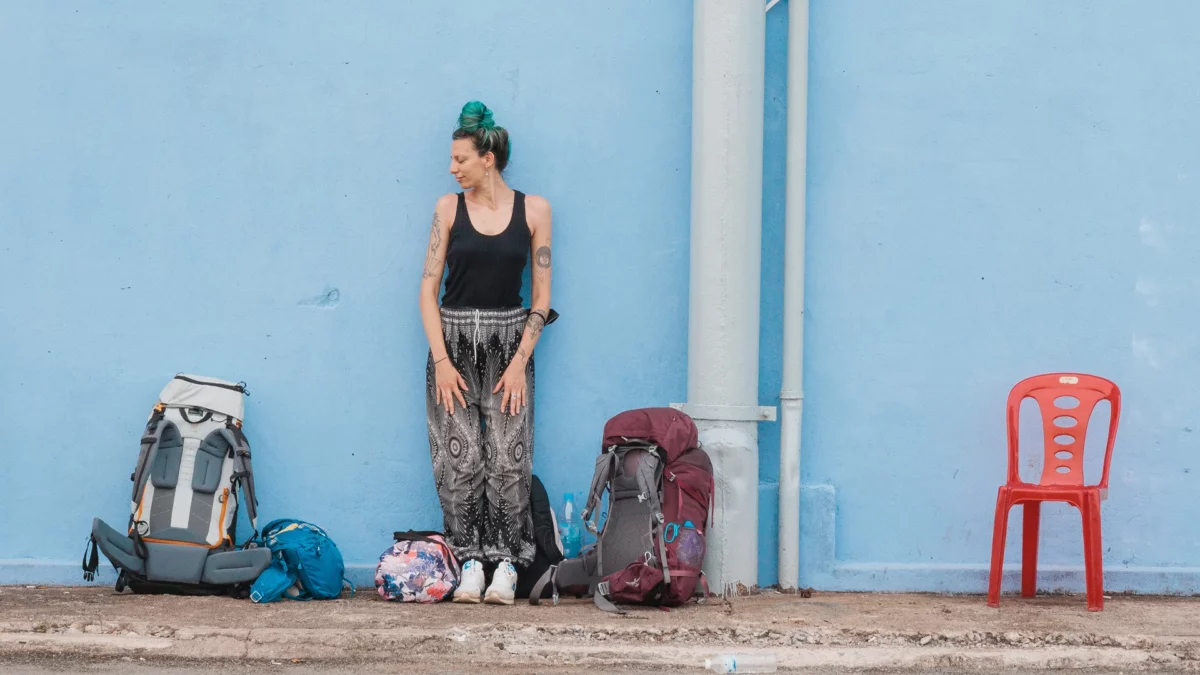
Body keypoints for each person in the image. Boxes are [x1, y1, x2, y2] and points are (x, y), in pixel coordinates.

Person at [418, 101, 553, 605]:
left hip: (508, 348)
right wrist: (441, 362)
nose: (453, 169)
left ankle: (507, 565)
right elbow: (427, 289)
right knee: (459, 459)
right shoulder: (448, 209)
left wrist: (519, 362)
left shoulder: (534, 210)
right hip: (450, 345)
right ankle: (469, 561)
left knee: (508, 458)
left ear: (488, 158)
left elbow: (541, 297)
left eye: (460, 159)